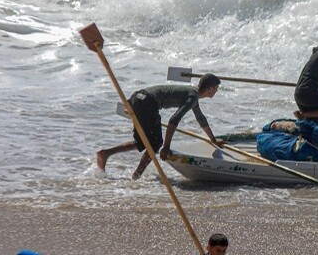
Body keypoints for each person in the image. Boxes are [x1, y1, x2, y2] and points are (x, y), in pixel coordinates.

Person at [96, 74, 224, 179]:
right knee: (156, 143)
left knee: (143, 141)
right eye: (216, 88)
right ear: (210, 89)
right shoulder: (193, 96)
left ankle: (106, 153)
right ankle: (136, 176)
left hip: (137, 98)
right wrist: (166, 147)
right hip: (147, 102)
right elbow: (174, 120)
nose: (216, 91)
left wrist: (212, 140)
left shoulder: (193, 94)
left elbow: (200, 118)